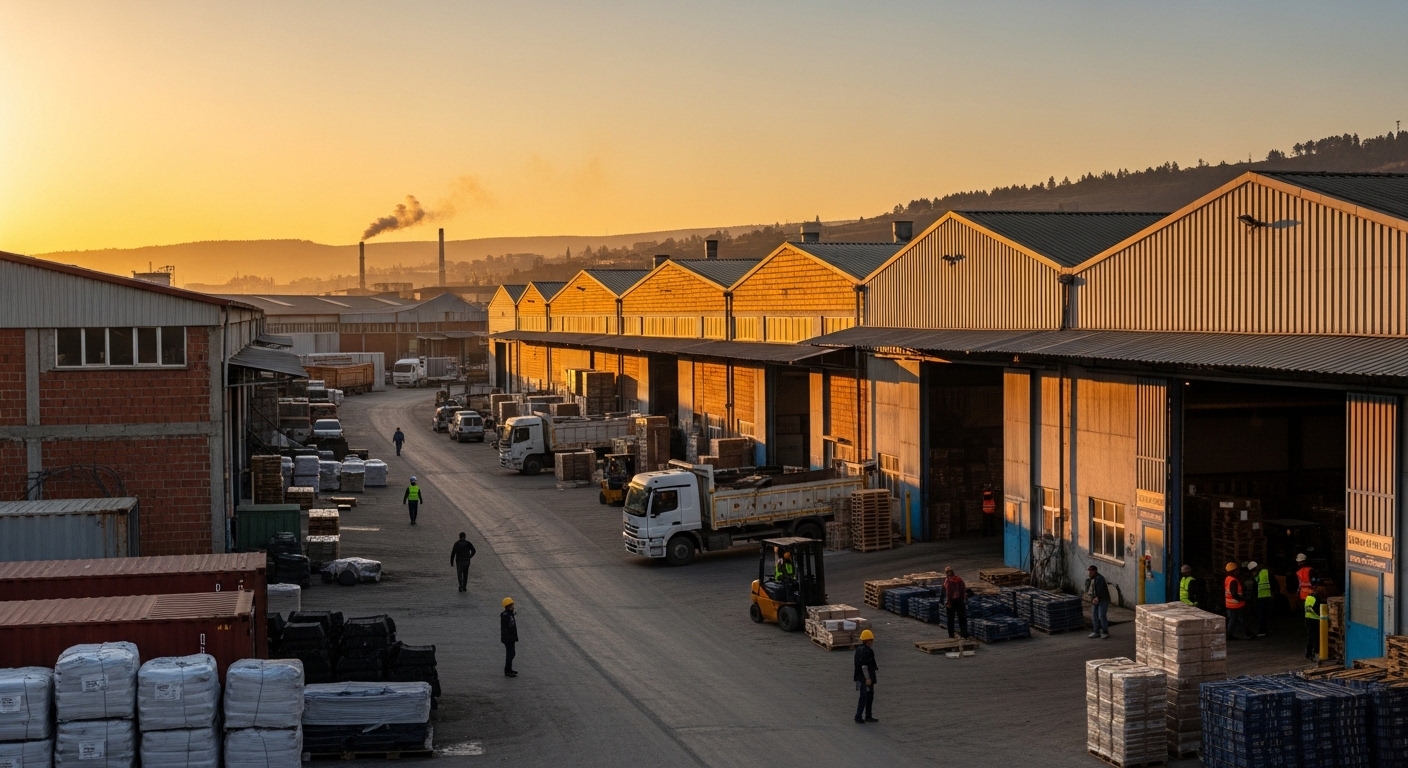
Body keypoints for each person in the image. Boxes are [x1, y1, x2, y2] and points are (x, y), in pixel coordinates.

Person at [853, 628, 878, 724]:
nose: (872, 642)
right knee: (865, 696)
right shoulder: (867, 651)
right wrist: (868, 678)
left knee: (867, 696)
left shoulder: (858, 649)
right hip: (865, 678)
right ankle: (859, 716)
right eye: (871, 640)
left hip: (859, 677)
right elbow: (864, 666)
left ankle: (867, 715)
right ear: (868, 640)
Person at [1223, 562, 1253, 641]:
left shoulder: (1228, 578)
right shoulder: (1233, 581)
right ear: (1234, 570)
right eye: (1237, 569)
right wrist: (1243, 599)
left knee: (1240, 619)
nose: (1238, 571)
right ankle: (1228, 635)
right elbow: (1234, 594)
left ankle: (1248, 632)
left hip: (1231, 604)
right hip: (1235, 604)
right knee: (1233, 620)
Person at [941, 566, 969, 639]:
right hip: (960, 601)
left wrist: (945, 602)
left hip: (951, 602)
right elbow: (963, 589)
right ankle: (964, 634)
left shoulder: (947, 581)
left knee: (950, 619)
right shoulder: (959, 579)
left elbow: (946, 593)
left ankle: (951, 635)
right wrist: (964, 598)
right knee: (962, 618)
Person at [1085, 565, 1110, 639]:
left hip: (1103, 600)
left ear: (1095, 571)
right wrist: (1093, 598)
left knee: (1101, 615)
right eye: (1089, 571)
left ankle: (1105, 631)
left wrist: (1097, 597)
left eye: (1091, 571)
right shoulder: (1092, 579)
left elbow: (1100, 590)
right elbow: (1091, 590)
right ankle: (1096, 631)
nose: (1090, 572)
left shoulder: (1099, 579)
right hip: (1096, 599)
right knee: (1094, 615)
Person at [1248, 560, 1272, 637]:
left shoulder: (1259, 574)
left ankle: (1262, 630)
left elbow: (1255, 586)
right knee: (1264, 614)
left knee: (1261, 614)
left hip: (1262, 597)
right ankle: (1264, 629)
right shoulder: (1265, 572)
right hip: (1267, 596)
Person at [501, 597, 519, 677]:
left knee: (511, 653)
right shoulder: (506, 616)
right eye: (512, 605)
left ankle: (509, 669)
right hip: (508, 638)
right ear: (508, 606)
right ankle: (507, 670)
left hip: (510, 637)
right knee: (510, 653)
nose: (513, 607)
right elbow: (510, 626)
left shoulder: (508, 614)